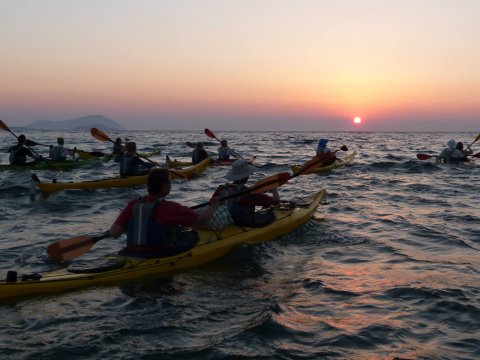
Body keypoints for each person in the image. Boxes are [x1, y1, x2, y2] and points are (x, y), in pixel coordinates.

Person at [109, 167, 219, 257]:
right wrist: (213, 206)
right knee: (190, 234)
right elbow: (201, 220)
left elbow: (114, 233)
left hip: (130, 253)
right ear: (164, 186)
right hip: (158, 253)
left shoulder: (133, 204)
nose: (171, 185)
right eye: (170, 182)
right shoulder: (169, 207)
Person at [212, 159, 280, 228]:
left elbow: (212, 205)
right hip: (242, 222)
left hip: (224, 220)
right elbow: (276, 201)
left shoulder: (221, 188)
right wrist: (274, 189)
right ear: (247, 176)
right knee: (271, 214)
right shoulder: (249, 193)